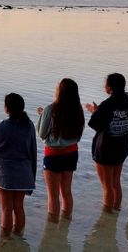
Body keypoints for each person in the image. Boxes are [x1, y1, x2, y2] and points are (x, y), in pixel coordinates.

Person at [0, 93, 37, 238]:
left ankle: (5, 240)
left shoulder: (0, 127)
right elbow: (32, 150)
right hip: (24, 173)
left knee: (6, 208)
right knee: (19, 207)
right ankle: (18, 236)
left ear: (6, 109)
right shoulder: (29, 126)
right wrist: (32, 175)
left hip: (5, 176)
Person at [37, 78, 85, 223]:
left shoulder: (50, 109)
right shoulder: (77, 109)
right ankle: (65, 223)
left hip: (53, 155)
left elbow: (41, 133)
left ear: (60, 92)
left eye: (57, 87)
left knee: (53, 195)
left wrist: (42, 116)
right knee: (66, 191)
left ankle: (53, 229)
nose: (55, 88)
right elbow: (77, 132)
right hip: (71, 153)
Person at [85, 73, 128, 213]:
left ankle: (107, 216)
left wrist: (95, 111)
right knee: (116, 183)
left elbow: (95, 124)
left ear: (110, 88)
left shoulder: (107, 104)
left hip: (106, 149)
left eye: (106, 84)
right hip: (122, 146)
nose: (104, 87)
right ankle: (116, 210)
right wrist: (98, 111)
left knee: (106, 186)